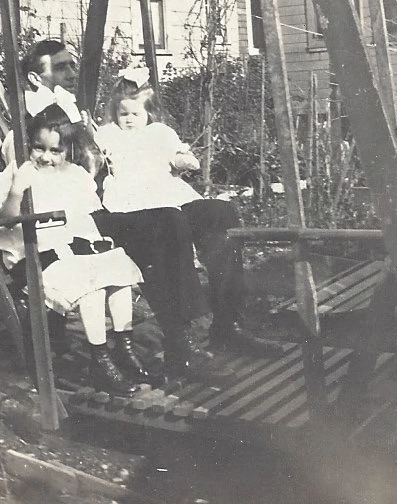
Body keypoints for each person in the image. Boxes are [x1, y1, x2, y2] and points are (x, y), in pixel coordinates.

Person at [95, 67, 279, 362]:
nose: (128, 120)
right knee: (172, 220)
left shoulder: (159, 133)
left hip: (167, 193)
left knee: (221, 212)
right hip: (129, 206)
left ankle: (227, 323)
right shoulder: (108, 134)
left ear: (149, 113)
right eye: (122, 114)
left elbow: (178, 153)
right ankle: (183, 338)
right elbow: (90, 155)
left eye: (134, 114)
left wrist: (184, 160)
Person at [0, 105, 148, 395]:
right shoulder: (15, 174)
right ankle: (99, 360)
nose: (46, 157)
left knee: (116, 270)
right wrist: (16, 192)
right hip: (34, 257)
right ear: (28, 145)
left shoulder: (73, 174)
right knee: (91, 284)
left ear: (67, 150)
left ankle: (124, 348)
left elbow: (88, 216)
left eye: (55, 150)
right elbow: (3, 223)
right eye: (39, 148)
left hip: (71, 253)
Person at [1, 40, 101, 175]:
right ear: (35, 79)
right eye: (60, 68)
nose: (72, 75)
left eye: (72, 67)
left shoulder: (73, 115)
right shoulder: (22, 136)